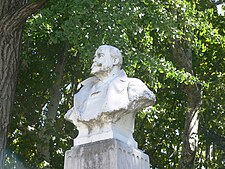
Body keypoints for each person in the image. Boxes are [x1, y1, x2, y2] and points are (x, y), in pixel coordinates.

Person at [65, 45, 155, 147]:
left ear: (115, 61)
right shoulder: (84, 91)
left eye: (100, 55)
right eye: (95, 56)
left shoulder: (133, 86)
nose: (94, 60)